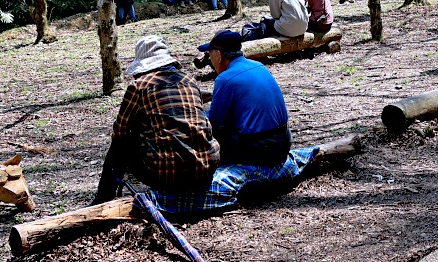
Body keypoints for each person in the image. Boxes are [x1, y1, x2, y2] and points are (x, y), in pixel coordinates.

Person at [91, 36, 220, 205]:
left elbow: (120, 132)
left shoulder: (139, 86)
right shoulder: (189, 80)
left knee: (120, 145)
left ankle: (103, 198)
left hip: (166, 175)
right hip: (206, 168)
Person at [204, 30, 291, 166]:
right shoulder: (258, 66)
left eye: (210, 55)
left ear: (219, 55)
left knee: (204, 121)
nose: (211, 61)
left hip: (261, 150)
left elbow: (214, 124)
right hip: (284, 142)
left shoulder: (225, 79)